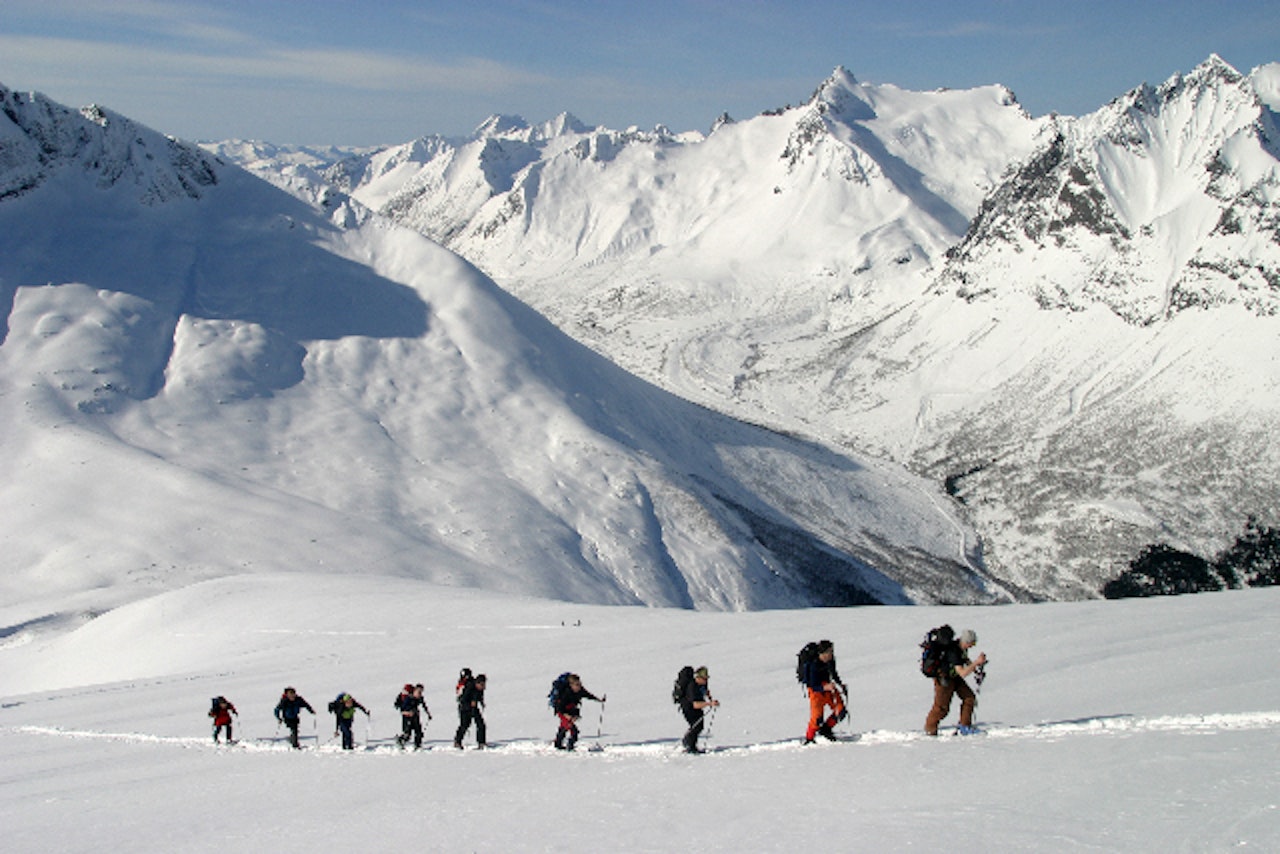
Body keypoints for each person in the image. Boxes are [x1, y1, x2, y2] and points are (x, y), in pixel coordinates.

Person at [925, 628, 987, 736]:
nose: (973, 646)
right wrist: (976, 663)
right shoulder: (953, 651)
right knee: (941, 708)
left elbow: (965, 661)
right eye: (972, 643)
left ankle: (965, 726)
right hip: (944, 679)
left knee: (969, 698)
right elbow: (962, 672)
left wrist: (977, 666)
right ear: (967, 642)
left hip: (953, 677)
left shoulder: (960, 648)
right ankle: (930, 729)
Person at [801, 639, 847, 743]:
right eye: (829, 652)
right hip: (816, 691)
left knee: (840, 710)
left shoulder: (830, 661)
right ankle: (809, 738)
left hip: (828, 687)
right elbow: (812, 685)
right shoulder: (813, 665)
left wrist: (840, 684)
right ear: (823, 653)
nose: (831, 654)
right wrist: (824, 688)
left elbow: (834, 673)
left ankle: (826, 729)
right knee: (817, 718)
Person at [552, 673, 605, 751]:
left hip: (571, 711)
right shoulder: (565, 694)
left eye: (580, 684)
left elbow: (588, 695)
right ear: (571, 685)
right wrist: (567, 716)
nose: (579, 686)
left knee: (564, 727)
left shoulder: (580, 691)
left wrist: (599, 700)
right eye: (577, 685)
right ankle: (570, 747)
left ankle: (558, 743)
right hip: (563, 712)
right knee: (573, 730)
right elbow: (560, 708)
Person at [678, 667, 719, 754]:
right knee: (696, 726)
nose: (706, 680)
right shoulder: (691, 687)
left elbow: (706, 691)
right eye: (704, 678)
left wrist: (710, 699)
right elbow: (695, 705)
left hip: (698, 706)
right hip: (688, 708)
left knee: (699, 726)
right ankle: (690, 746)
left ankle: (689, 743)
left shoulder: (703, 683)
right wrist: (709, 704)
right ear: (698, 677)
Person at [454, 672, 487, 749]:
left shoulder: (480, 689)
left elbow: (479, 696)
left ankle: (481, 743)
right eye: (482, 685)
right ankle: (457, 742)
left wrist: (481, 703)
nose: (483, 687)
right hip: (465, 709)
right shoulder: (469, 687)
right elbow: (462, 699)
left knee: (481, 724)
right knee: (464, 725)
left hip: (474, 708)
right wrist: (470, 703)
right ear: (477, 683)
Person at [396, 683, 431, 750]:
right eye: (419, 692)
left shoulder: (420, 698)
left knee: (418, 732)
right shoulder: (408, 698)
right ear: (414, 691)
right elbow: (402, 708)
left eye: (421, 692)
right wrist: (408, 712)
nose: (420, 694)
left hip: (415, 716)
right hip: (407, 717)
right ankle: (400, 742)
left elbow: (424, 705)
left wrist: (428, 714)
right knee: (407, 733)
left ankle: (418, 745)